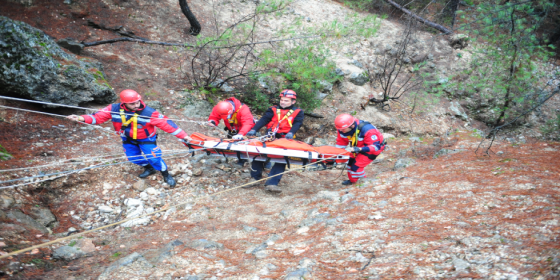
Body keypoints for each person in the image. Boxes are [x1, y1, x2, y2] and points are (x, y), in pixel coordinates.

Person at [67, 89, 192, 188]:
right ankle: (149, 168)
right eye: (132, 103)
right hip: (128, 139)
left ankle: (166, 174)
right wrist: (81, 118)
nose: (136, 105)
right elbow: (97, 117)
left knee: (154, 157)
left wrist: (184, 136)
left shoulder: (150, 113)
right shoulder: (114, 109)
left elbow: (168, 125)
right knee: (133, 158)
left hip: (146, 139)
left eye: (138, 102)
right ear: (124, 103)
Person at [245, 89, 304, 193]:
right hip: (270, 136)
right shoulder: (273, 109)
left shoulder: (298, 112)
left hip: (285, 138)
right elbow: (264, 120)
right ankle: (255, 178)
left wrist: (291, 132)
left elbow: (297, 123)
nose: (283, 102)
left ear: (293, 101)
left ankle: (272, 183)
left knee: (281, 159)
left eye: (286, 100)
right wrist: (254, 129)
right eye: (282, 100)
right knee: (258, 154)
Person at [334, 113, 385, 185]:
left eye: (343, 129)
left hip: (372, 149)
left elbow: (376, 147)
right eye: (340, 129)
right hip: (357, 147)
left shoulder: (367, 129)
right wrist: (336, 154)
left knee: (356, 167)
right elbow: (341, 142)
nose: (341, 131)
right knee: (350, 163)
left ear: (352, 126)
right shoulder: (342, 130)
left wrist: (359, 149)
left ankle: (363, 184)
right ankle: (353, 181)